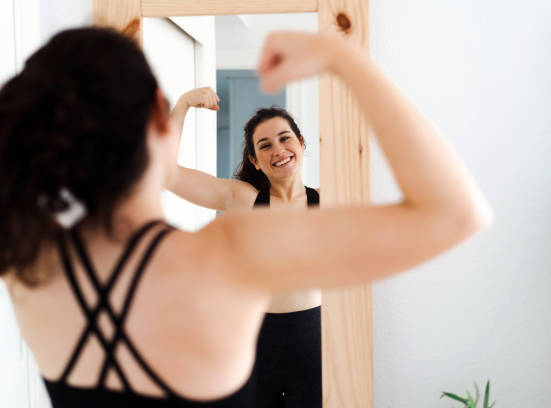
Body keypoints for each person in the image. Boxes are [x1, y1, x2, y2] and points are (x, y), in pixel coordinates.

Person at [0, 27, 492, 408]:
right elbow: (453, 213)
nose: (277, 149)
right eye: (264, 144)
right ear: (158, 114)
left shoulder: (25, 264)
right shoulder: (237, 248)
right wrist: (343, 57)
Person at [169, 96, 322, 407]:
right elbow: (164, 172)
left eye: (285, 138)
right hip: (256, 341)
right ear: (254, 160)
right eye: (264, 145)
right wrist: (184, 103)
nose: (277, 150)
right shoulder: (245, 200)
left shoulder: (328, 201)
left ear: (302, 143)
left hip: (315, 340)